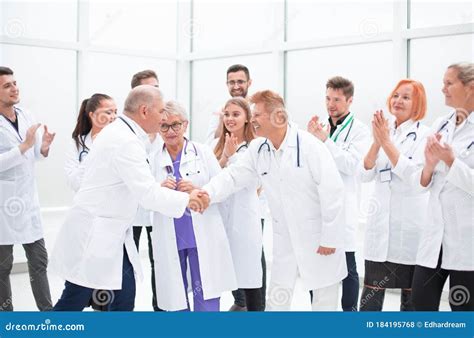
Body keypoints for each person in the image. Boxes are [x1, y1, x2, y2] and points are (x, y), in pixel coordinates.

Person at [50, 86, 208, 311]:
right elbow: (147, 194)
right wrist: (187, 199)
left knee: (123, 299)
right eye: (161, 111)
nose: (164, 117)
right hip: (95, 236)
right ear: (145, 111)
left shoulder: (122, 133)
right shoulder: (125, 141)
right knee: (72, 302)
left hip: (112, 235)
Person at [203, 90, 347, 311]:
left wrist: (330, 237)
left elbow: (333, 193)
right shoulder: (258, 148)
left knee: (324, 302)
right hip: (285, 237)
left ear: (278, 116)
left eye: (258, 114)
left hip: (319, 237)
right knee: (277, 300)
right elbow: (232, 177)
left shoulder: (310, 147)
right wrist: (206, 193)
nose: (253, 120)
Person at [152, 101, 236, 311]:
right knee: (175, 295)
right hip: (171, 234)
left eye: (175, 125)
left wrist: (199, 189)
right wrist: (159, 188)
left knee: (205, 292)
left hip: (201, 234)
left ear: (185, 124)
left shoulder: (203, 151)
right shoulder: (152, 159)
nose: (170, 131)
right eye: (164, 126)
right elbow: (143, 197)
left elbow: (222, 186)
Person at [358, 79, 430, 311]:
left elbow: (415, 178)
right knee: (371, 296)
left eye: (406, 97)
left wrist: (386, 141)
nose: (398, 100)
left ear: (417, 104)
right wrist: (378, 141)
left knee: (410, 300)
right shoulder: (384, 130)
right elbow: (365, 173)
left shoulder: (425, 136)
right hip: (380, 227)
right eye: (396, 95)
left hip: (408, 229)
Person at [412, 62, 474, 311]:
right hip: (434, 235)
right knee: (420, 304)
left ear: (470, 87)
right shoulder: (440, 124)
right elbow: (421, 179)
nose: (443, 89)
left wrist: (450, 161)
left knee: (463, 311)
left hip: (466, 239)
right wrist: (428, 166)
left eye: (449, 83)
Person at [307, 76, 370, 311]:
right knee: (317, 263)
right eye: (327, 98)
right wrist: (311, 140)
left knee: (347, 266)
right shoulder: (321, 125)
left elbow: (353, 165)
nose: (330, 104)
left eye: (336, 99)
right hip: (319, 206)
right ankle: (320, 310)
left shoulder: (360, 130)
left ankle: (349, 315)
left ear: (350, 100)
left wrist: (325, 141)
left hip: (344, 206)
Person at [0, 66, 55, 311]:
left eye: (15, 83)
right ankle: (6, 317)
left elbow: (35, 154)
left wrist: (43, 147)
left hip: (28, 202)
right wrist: (23, 146)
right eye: (7, 85)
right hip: (3, 206)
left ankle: (48, 313)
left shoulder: (26, 114)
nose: (14, 88)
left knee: (39, 261)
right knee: (3, 266)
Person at [212, 97, 264, 311]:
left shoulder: (256, 147)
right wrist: (225, 157)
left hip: (244, 221)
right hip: (220, 221)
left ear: (246, 119)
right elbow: (210, 178)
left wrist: (232, 158)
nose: (230, 119)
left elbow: (254, 182)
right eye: (227, 114)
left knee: (250, 277)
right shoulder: (216, 146)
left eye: (236, 114)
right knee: (223, 276)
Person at [130, 69, 162, 311]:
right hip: (130, 209)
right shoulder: (128, 133)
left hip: (157, 208)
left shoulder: (164, 125)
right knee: (126, 263)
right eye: (151, 89)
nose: (157, 93)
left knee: (159, 262)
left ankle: (160, 310)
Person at [64, 93, 117, 192]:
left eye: (115, 112)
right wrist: (95, 150)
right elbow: (74, 183)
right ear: (92, 115)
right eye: (108, 113)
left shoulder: (121, 142)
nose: (114, 117)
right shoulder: (77, 143)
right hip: (87, 204)